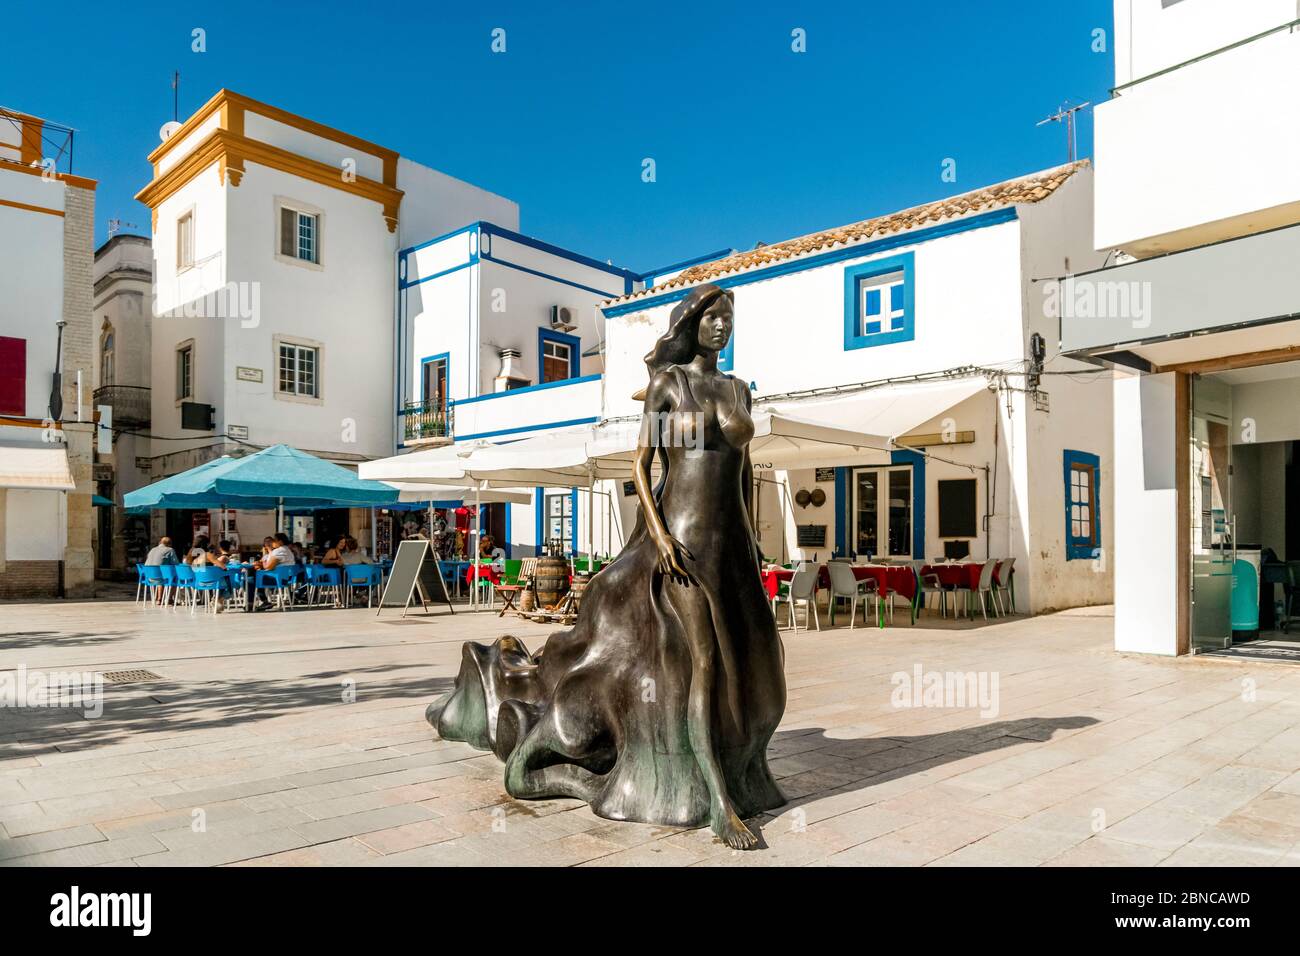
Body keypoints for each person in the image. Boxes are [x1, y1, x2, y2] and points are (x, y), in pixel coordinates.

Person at [429, 283, 785, 850]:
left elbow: (743, 469)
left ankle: (744, 766)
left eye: (728, 317)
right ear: (691, 325)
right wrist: (660, 536)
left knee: (754, 655)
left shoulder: (738, 390)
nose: (722, 325)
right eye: (712, 317)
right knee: (702, 663)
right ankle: (718, 800)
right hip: (684, 543)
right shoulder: (671, 386)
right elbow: (642, 467)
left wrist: (754, 539)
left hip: (733, 547)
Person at [246, 532, 298, 612]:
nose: (272, 542)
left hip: (276, 579)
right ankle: (262, 601)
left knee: (250, 579)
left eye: (274, 540)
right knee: (255, 576)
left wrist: (263, 563)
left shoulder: (279, 551)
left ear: (280, 541)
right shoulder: (288, 551)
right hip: (285, 579)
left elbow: (268, 566)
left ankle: (253, 603)